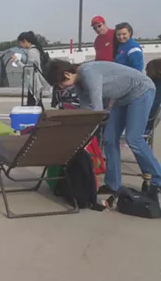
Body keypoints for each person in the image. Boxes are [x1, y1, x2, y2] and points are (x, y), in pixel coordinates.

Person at [45, 59, 161, 207]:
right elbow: (86, 109)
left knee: (134, 139)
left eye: (59, 83)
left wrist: (83, 136)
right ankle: (113, 184)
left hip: (141, 90)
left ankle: (158, 180)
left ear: (67, 74)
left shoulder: (88, 73)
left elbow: (98, 111)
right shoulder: (79, 83)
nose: (60, 87)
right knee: (109, 139)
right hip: (123, 97)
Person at [11, 31, 51, 108]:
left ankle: (39, 119)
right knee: (36, 104)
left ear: (25, 41)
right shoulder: (35, 50)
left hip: (34, 82)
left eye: (20, 43)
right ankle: (40, 117)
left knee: (33, 105)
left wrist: (17, 61)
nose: (20, 45)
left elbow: (29, 68)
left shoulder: (32, 51)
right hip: (34, 81)